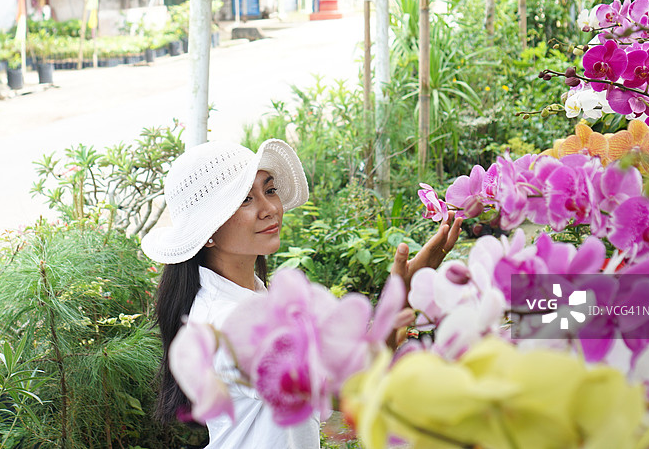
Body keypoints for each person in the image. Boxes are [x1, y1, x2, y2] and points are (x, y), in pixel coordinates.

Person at [141, 138, 461, 449]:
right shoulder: (226, 322)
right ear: (206, 233)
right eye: (244, 199)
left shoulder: (248, 293)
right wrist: (399, 298)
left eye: (269, 190)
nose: (269, 209)